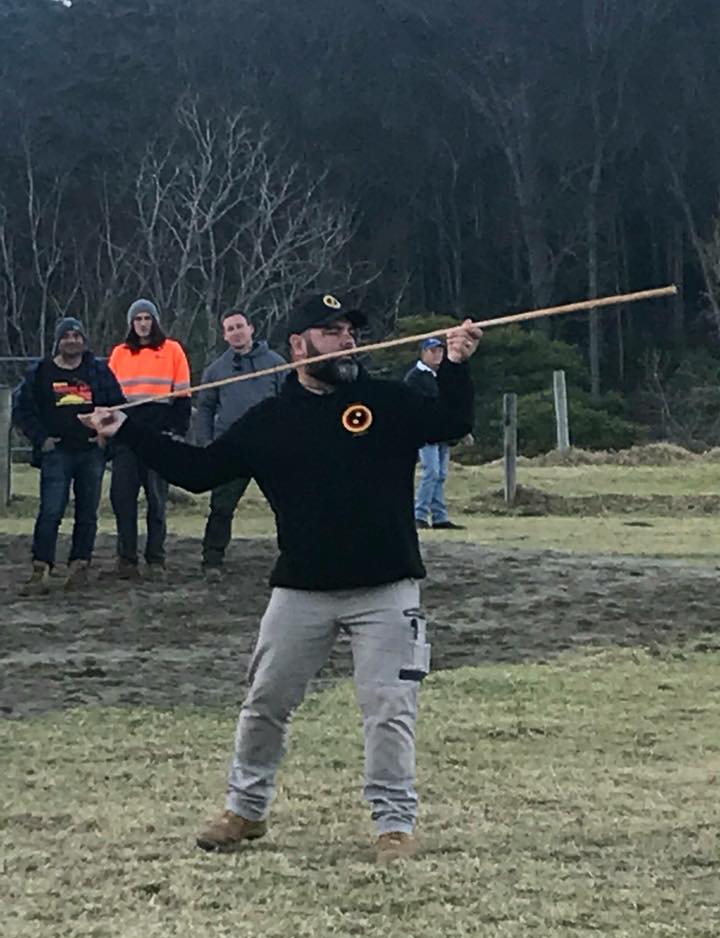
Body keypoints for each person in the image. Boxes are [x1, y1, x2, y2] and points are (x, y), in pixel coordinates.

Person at [82, 292, 481, 865]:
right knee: (265, 702)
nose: (347, 340)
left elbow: (453, 420)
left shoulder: (385, 401)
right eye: (332, 331)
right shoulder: (269, 421)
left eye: (351, 331)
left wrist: (459, 365)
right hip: (299, 593)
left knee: (390, 709)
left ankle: (394, 824)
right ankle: (245, 811)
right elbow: (199, 472)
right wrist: (127, 430)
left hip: (387, 589)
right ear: (299, 346)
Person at [12, 317, 125, 595]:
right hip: (57, 453)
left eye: (77, 336)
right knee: (51, 511)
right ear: (58, 342)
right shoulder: (41, 372)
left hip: (91, 452)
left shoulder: (98, 371)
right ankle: (41, 567)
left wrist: (103, 436)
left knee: (87, 513)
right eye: (66, 336)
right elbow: (22, 410)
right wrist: (42, 439)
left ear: (84, 341)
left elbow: (117, 405)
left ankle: (79, 566)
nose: (72, 340)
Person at [197, 308, 286, 579]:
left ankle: (294, 554)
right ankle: (212, 559)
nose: (236, 332)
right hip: (231, 448)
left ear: (251, 328)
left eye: (240, 326)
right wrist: (207, 442)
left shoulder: (276, 363)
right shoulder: (216, 370)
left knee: (285, 504)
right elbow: (205, 408)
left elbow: (290, 403)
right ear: (225, 336)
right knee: (221, 507)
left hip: (270, 448)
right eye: (230, 329)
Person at [107, 299, 191, 578]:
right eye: (138, 319)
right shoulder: (119, 353)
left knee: (156, 501)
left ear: (155, 321)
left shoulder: (172, 350)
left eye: (147, 318)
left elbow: (182, 396)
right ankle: (126, 558)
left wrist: (175, 431)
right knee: (123, 499)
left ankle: (156, 558)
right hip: (127, 436)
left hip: (158, 436)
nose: (143, 324)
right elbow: (111, 398)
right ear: (131, 323)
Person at [404, 337, 466, 530]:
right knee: (431, 472)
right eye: (433, 351)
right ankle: (419, 514)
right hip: (425, 433)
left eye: (440, 351)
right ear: (423, 353)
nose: (438, 355)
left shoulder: (441, 376)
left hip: (442, 435)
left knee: (440, 474)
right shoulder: (415, 377)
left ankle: (439, 517)